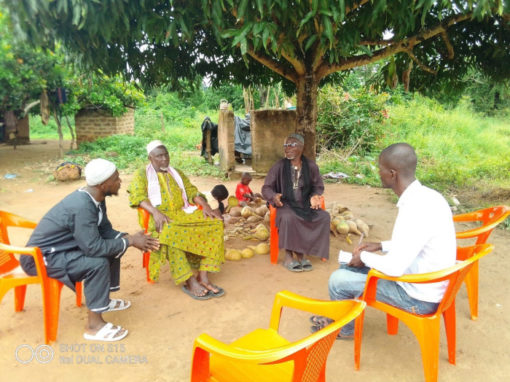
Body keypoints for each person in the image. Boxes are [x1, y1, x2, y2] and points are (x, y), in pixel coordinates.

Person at [312, 143, 456, 339]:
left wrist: (363, 256)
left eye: (380, 168)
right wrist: (381, 246)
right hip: (425, 282)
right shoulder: (429, 197)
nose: (378, 172)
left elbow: (395, 267)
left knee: (338, 281)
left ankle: (345, 330)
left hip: (417, 297)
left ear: (392, 173)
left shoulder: (415, 209)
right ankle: (343, 319)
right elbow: (416, 242)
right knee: (348, 267)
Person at [19, 158, 160, 342]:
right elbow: (94, 248)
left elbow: (106, 231)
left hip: (63, 249)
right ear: (103, 185)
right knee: (98, 262)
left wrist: (133, 238)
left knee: (115, 244)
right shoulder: (82, 206)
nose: (120, 181)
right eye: (116, 178)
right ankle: (93, 326)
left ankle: (103, 301)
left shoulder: (96, 198)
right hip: (41, 258)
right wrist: (131, 241)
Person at [128, 140, 225, 300]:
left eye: (166, 154)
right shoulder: (141, 174)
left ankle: (203, 275)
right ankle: (189, 280)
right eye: (159, 156)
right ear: (150, 158)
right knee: (169, 230)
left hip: (183, 212)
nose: (164, 159)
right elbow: (137, 196)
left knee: (216, 222)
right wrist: (155, 212)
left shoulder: (177, 172)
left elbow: (191, 191)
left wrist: (205, 205)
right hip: (160, 216)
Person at [261, 133, 330, 272]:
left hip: (305, 204)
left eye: (292, 145)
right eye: (285, 145)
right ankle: (288, 256)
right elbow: (266, 187)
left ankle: (302, 252)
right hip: (285, 204)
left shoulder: (311, 166)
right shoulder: (279, 166)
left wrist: (314, 195)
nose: (287, 148)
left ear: (302, 147)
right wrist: (274, 197)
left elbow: (318, 186)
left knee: (324, 217)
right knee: (288, 218)